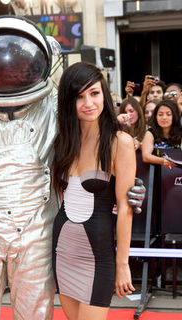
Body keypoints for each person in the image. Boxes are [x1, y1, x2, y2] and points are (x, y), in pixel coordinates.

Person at [0, 16, 145, 320]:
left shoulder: (53, 104)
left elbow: (102, 145)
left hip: (38, 229)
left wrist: (130, 189)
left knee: (35, 315)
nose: (7, 70)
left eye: (17, 62)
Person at [52, 62, 135, 320]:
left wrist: (122, 264)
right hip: (63, 249)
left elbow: (125, 207)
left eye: (94, 93)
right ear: (69, 101)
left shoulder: (119, 142)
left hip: (98, 256)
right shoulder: (63, 141)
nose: (88, 102)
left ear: (104, 95)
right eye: (79, 96)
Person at [141, 100, 182, 168]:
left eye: (168, 114)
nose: (164, 118)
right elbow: (146, 156)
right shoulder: (150, 133)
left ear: (174, 116)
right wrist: (163, 161)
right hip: (157, 173)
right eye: (160, 114)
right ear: (156, 117)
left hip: (177, 173)